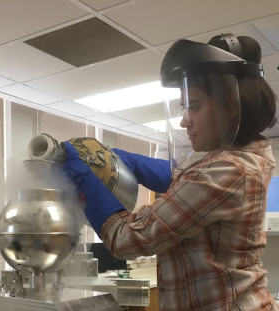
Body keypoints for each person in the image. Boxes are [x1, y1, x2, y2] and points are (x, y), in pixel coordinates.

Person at [62, 34, 278, 311]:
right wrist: (129, 162)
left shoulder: (229, 171)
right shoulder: (245, 159)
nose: (184, 120)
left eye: (195, 106)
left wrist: (85, 179)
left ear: (232, 107)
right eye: (184, 107)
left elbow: (127, 239)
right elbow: (186, 180)